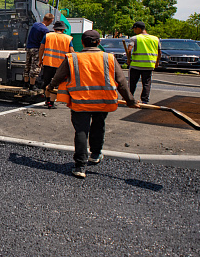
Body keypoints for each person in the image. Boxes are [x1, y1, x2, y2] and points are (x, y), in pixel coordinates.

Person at [47, 30, 138, 179]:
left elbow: (59, 76)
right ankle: (95, 154)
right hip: (103, 101)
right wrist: (130, 100)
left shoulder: (73, 58)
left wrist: (51, 86)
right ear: (99, 42)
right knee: (98, 125)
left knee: (81, 131)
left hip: (80, 101)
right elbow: (121, 82)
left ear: (82, 42)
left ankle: (80, 166)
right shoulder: (109, 58)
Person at [38, 20, 74, 108]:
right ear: (63, 30)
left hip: (48, 63)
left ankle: (47, 100)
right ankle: (51, 103)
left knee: (47, 82)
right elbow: (72, 52)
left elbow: (41, 48)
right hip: (60, 66)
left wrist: (40, 60)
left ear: (54, 29)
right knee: (55, 84)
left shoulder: (47, 36)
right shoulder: (68, 38)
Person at [124, 21, 161, 104]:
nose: (134, 31)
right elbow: (159, 52)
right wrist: (157, 62)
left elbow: (129, 49)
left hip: (136, 64)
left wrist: (129, 59)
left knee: (132, 82)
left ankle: (129, 98)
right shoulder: (155, 38)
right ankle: (145, 100)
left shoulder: (135, 38)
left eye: (134, 29)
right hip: (149, 64)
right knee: (146, 83)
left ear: (138, 28)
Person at [24, 12, 53, 91]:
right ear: (50, 20)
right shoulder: (45, 30)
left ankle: (25, 84)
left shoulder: (35, 25)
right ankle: (32, 85)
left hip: (29, 47)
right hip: (36, 49)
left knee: (27, 65)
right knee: (35, 67)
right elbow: (44, 43)